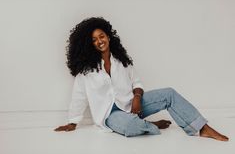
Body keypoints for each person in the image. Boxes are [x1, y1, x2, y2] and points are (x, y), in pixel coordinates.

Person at [54, 17, 229, 141]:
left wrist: (137, 98)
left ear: (108, 36)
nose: (99, 41)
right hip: (110, 115)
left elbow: (136, 82)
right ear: (88, 44)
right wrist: (72, 122)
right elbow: (79, 97)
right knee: (131, 127)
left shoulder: (121, 60)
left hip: (132, 105)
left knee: (169, 93)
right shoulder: (86, 71)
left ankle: (202, 128)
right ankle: (151, 125)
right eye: (94, 40)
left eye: (101, 36)